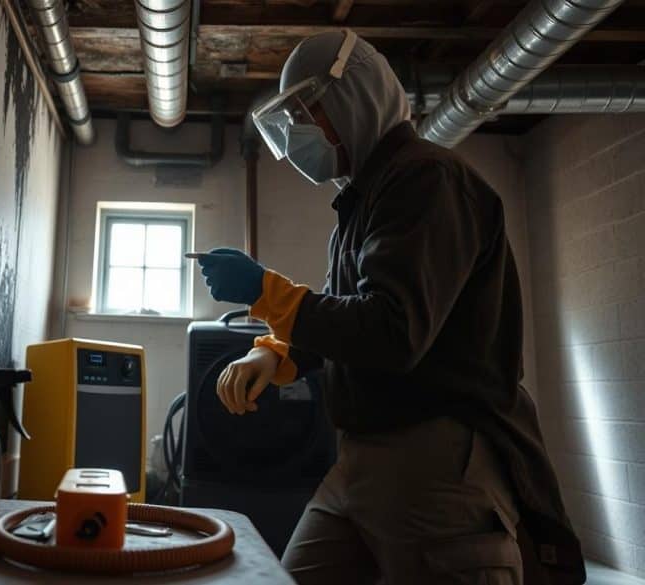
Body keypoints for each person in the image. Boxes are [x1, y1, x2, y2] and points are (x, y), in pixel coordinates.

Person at [194, 30, 585, 585]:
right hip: (360, 460)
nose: (301, 134)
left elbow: (393, 330)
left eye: (309, 113)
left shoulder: (426, 179)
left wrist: (266, 292)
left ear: (354, 98)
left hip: (436, 461)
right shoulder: (365, 197)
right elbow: (352, 318)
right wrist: (277, 355)